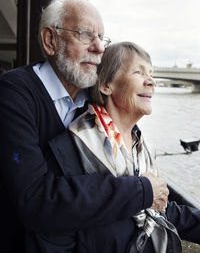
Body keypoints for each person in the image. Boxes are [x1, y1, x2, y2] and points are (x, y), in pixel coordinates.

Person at [0, 0, 168, 253]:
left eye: (102, 37)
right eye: (86, 34)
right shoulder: (13, 94)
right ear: (50, 40)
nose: (99, 47)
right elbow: (35, 200)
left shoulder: (91, 100)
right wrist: (141, 190)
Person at [35, 42, 200, 252]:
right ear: (106, 85)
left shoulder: (141, 148)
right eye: (138, 72)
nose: (151, 81)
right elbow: (55, 237)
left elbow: (162, 211)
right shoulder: (70, 150)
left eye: (151, 73)